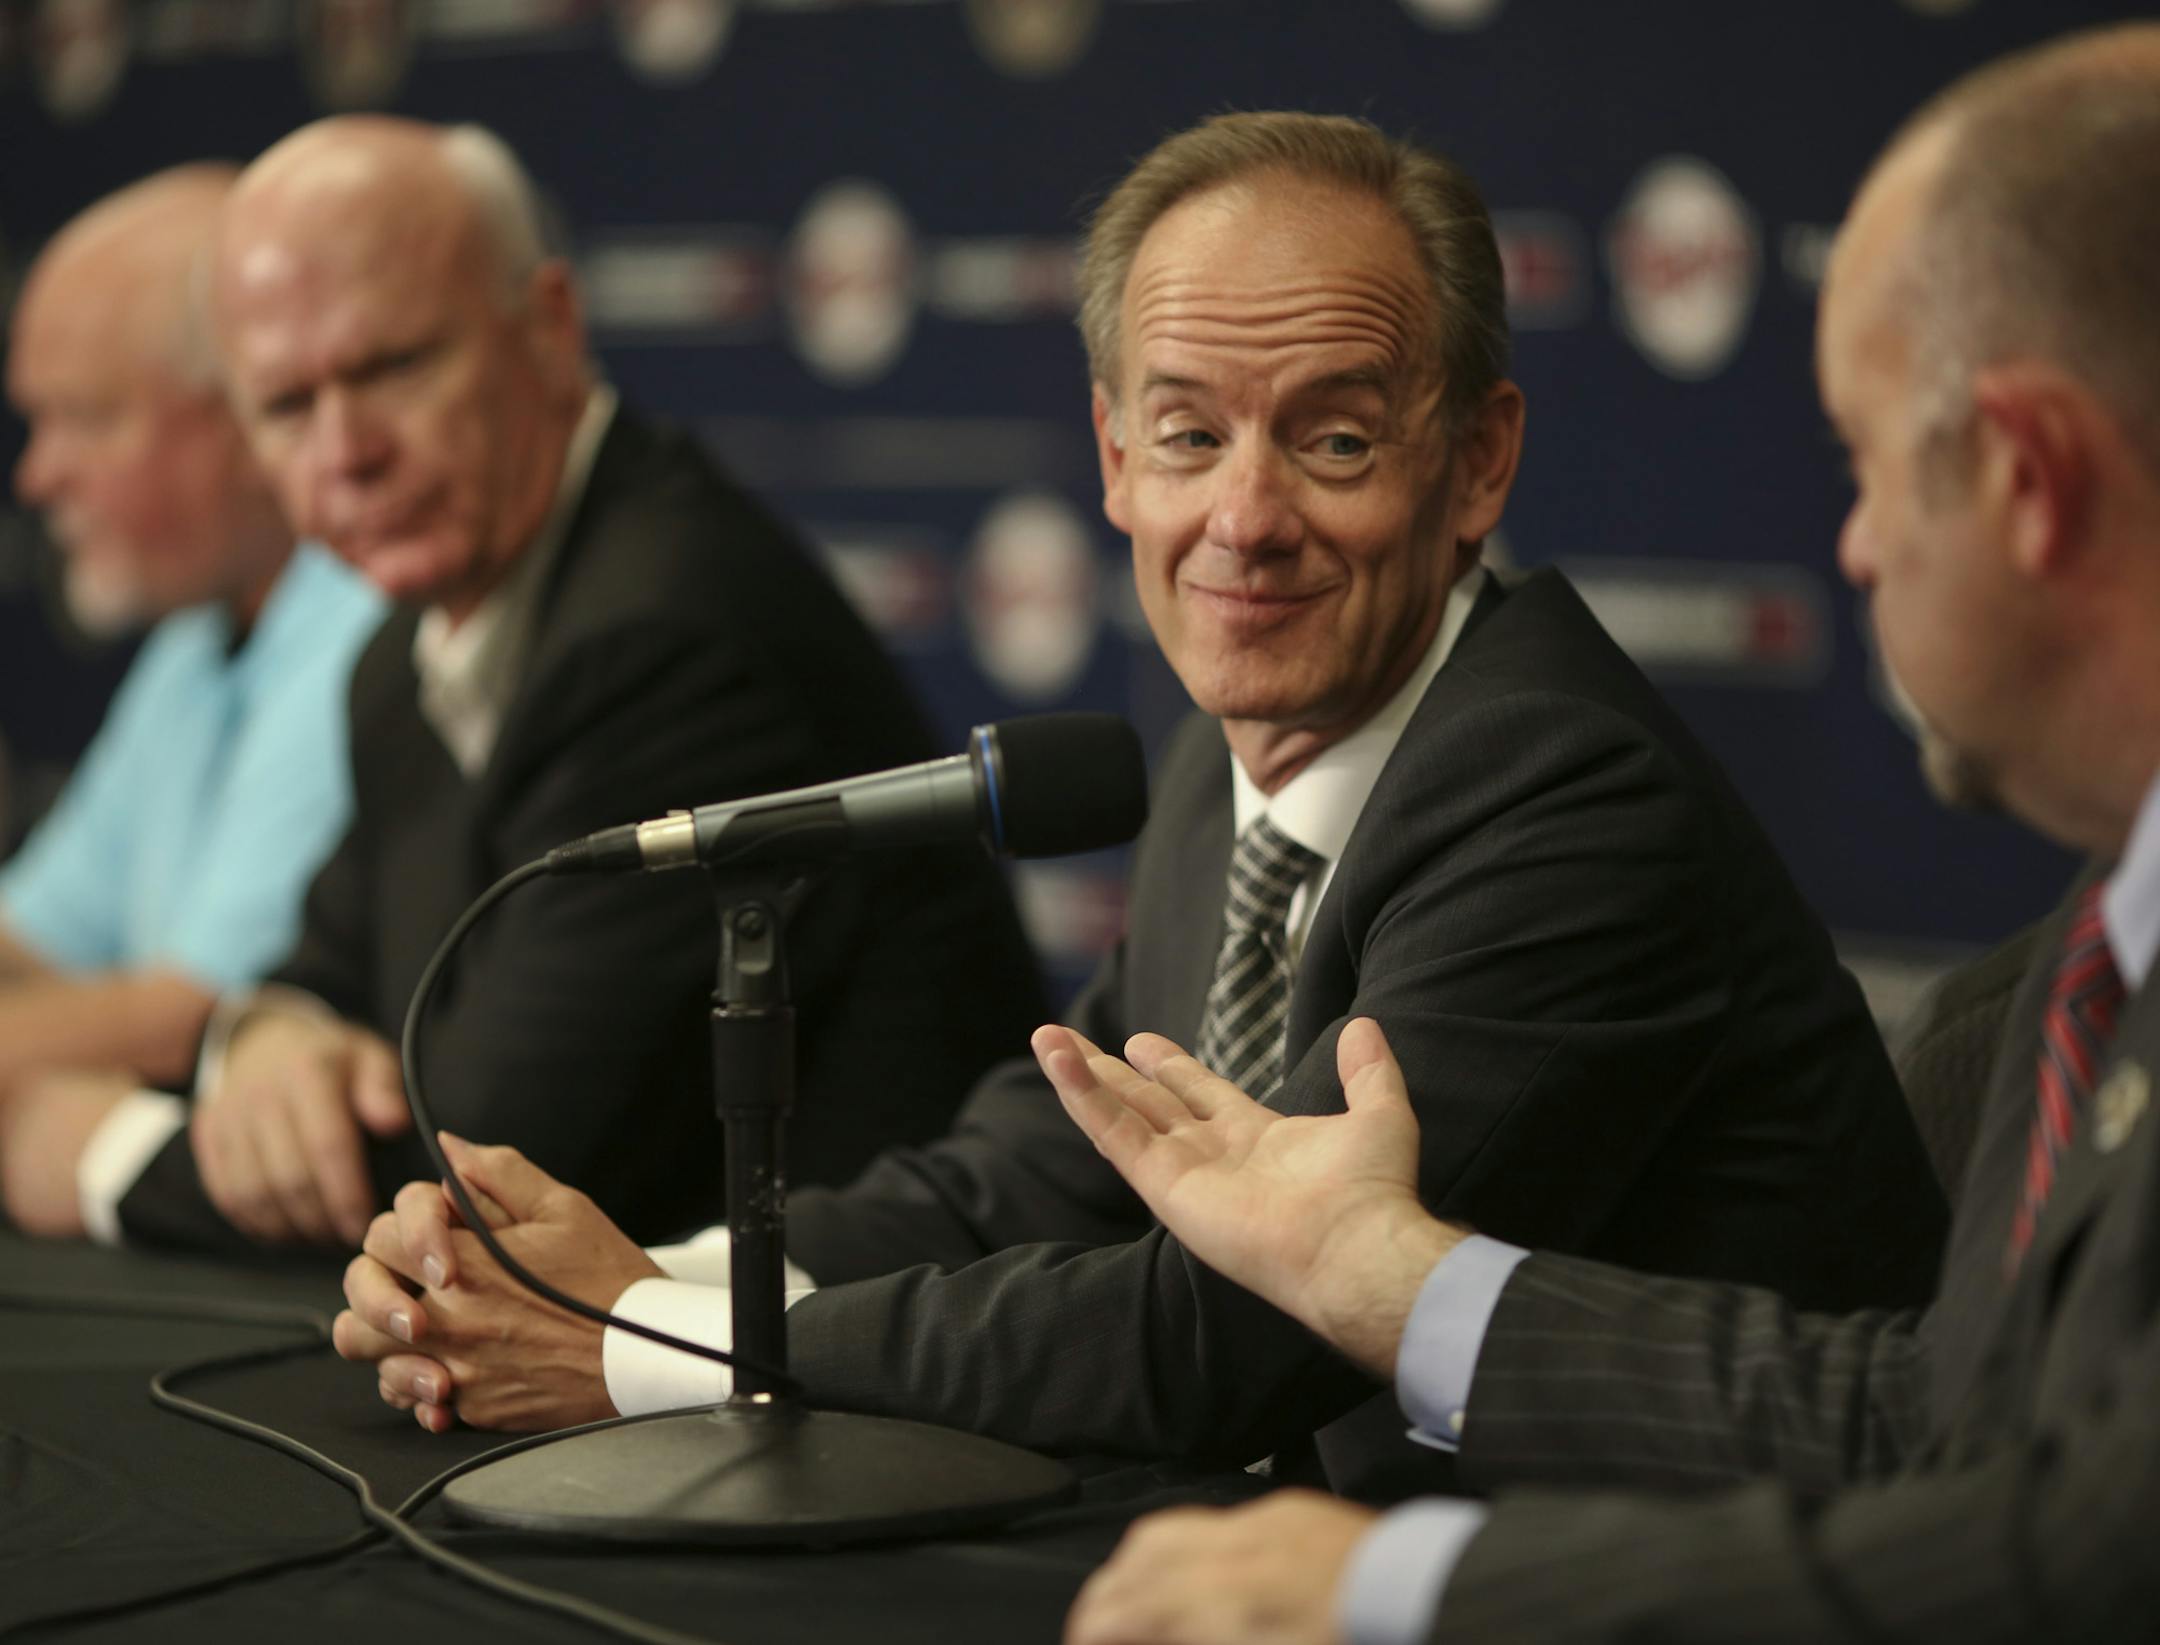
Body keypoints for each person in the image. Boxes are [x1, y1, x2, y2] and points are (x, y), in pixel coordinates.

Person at [334, 113, 1944, 1495]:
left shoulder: (1563, 798)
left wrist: (654, 1346)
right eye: (1188, 435)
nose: (1244, 520)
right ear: (1114, 458)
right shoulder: (1244, 738)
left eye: (1332, 437)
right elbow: (1053, 1161)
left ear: (1475, 464)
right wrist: (656, 1272)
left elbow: (1233, 1329)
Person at [1042, 24, 2160, 1643]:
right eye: (1189, 434)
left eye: (1861, 469)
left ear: (2030, 478)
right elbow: (1927, 1428)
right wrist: (1392, 1277)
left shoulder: (1557, 777)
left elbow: (2096, 1559)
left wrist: (1400, 1592)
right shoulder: (2080, 959)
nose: (1849, 551)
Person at [0, 117, 1044, 1256]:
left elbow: (476, 1181)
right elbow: (325, 970)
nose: (346, 452)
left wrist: (99, 1153)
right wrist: (271, 1041)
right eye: (288, 407)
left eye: (392, 368)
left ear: (548, 328)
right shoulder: (406, 649)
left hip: (864, 1373)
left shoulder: (664, 636)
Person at [0, 166, 384, 1238]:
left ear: (243, 418)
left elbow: (192, 1016)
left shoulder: (369, 621)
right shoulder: (200, 628)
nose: (36, 478)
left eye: (81, 418)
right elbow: (36, 934)